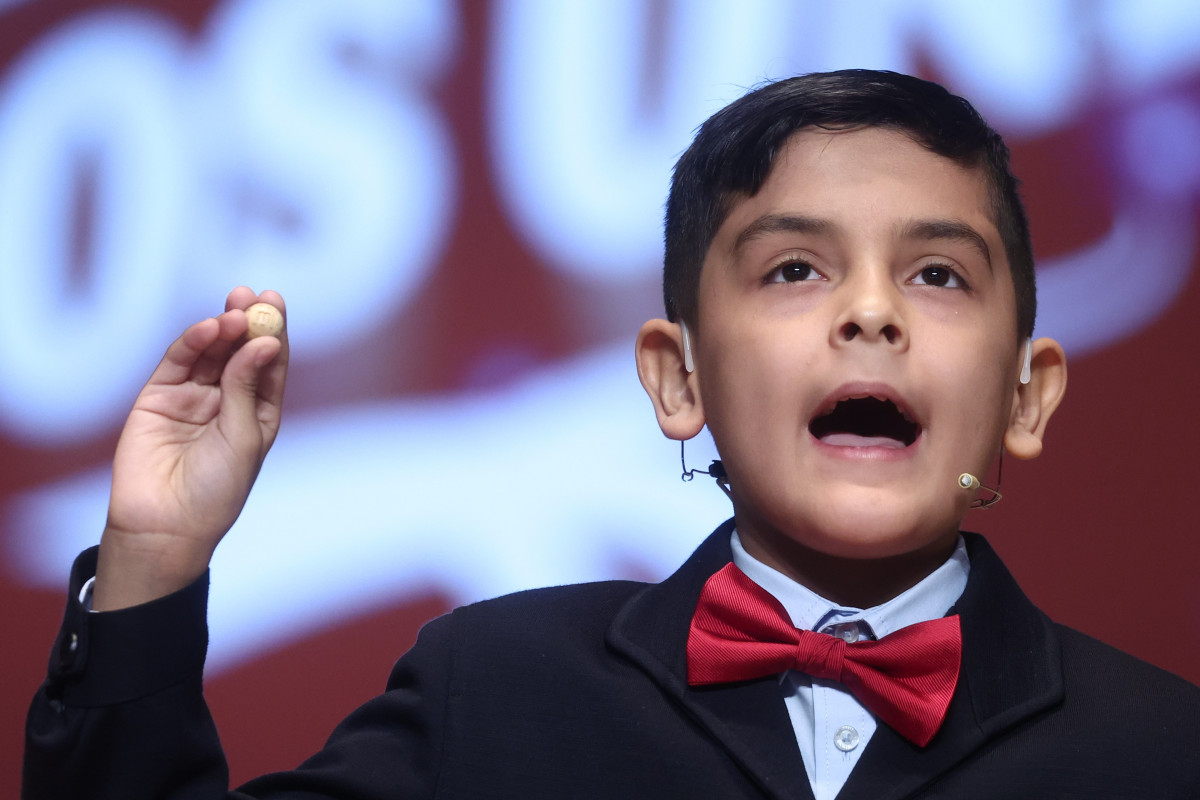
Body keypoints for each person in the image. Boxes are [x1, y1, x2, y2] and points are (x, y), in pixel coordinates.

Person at [23, 69, 1200, 799]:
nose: (872, 309)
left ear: (1027, 396)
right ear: (676, 378)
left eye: (938, 271)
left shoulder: (1164, 750)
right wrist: (154, 562)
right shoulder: (491, 685)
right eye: (796, 266)